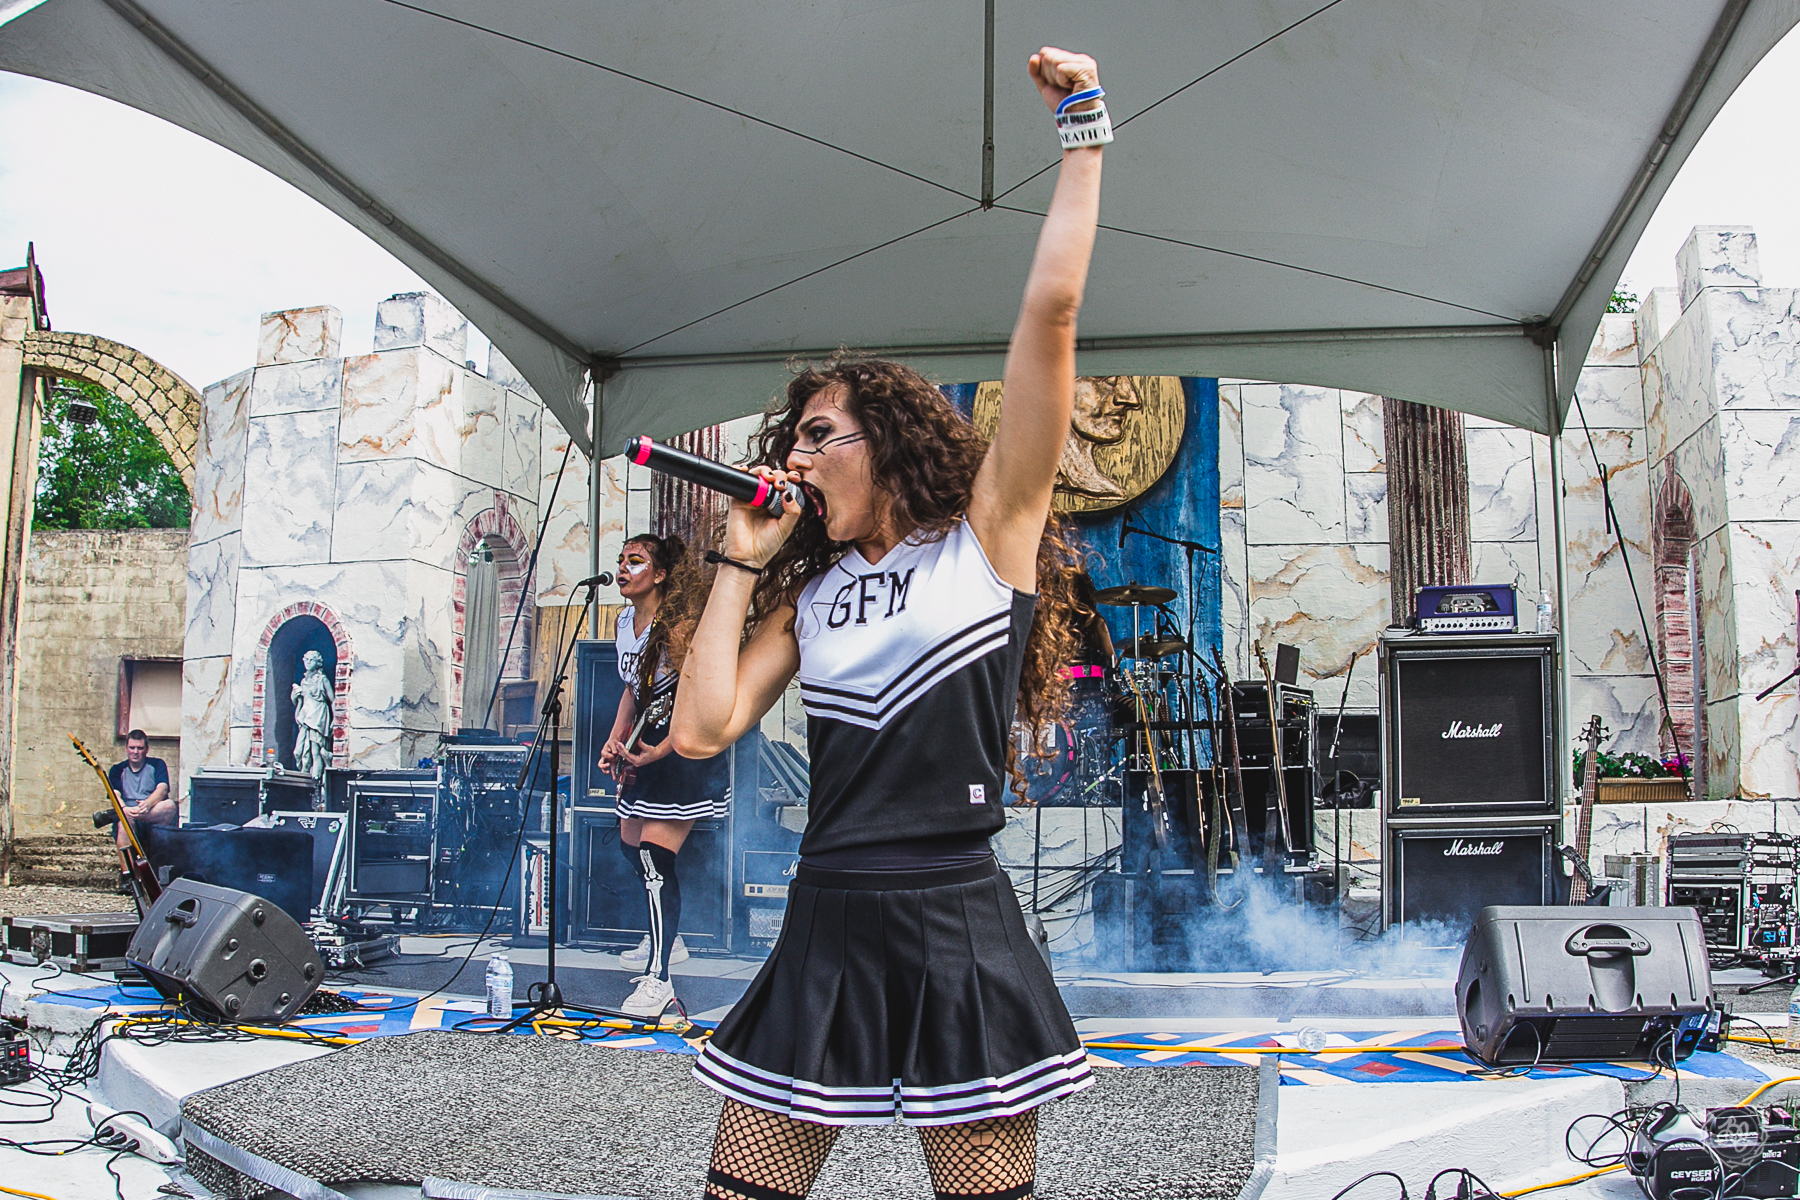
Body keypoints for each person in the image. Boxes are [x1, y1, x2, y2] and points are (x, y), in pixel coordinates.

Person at [672, 46, 1107, 1200]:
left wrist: (1082, 134)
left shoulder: (985, 539)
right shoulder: (805, 598)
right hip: (827, 913)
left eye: (821, 435)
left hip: (954, 916)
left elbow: (1052, 315)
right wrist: (739, 559)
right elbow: (701, 729)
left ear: (893, 445)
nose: (798, 456)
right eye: (792, 442)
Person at [598, 532, 728, 1020]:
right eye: (621, 560)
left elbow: (703, 695)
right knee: (630, 845)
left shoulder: (679, 626)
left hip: (683, 750)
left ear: (660, 574)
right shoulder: (623, 622)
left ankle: (660, 979)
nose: (623, 568)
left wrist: (664, 750)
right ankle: (666, 939)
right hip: (645, 746)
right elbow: (633, 690)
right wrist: (616, 740)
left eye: (635, 561)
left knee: (655, 858)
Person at [107, 729, 174, 863]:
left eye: (140, 748)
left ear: (146, 749)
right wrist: (124, 809)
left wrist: (147, 804)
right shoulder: (117, 769)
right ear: (126, 748)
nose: (135, 752)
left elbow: (162, 789)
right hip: (127, 813)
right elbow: (115, 795)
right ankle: (127, 872)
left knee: (169, 805)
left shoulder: (157, 764)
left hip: (150, 813)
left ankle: (156, 863)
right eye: (132, 748)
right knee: (124, 820)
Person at [291, 649, 333, 780]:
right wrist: (295, 698)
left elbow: (333, 700)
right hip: (306, 716)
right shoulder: (304, 681)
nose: (308, 662)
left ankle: (315, 781)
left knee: (316, 751)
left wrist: (335, 719)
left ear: (318, 662)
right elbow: (302, 702)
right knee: (299, 751)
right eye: (306, 659)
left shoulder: (322, 680)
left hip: (318, 715)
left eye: (312, 660)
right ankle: (304, 777)